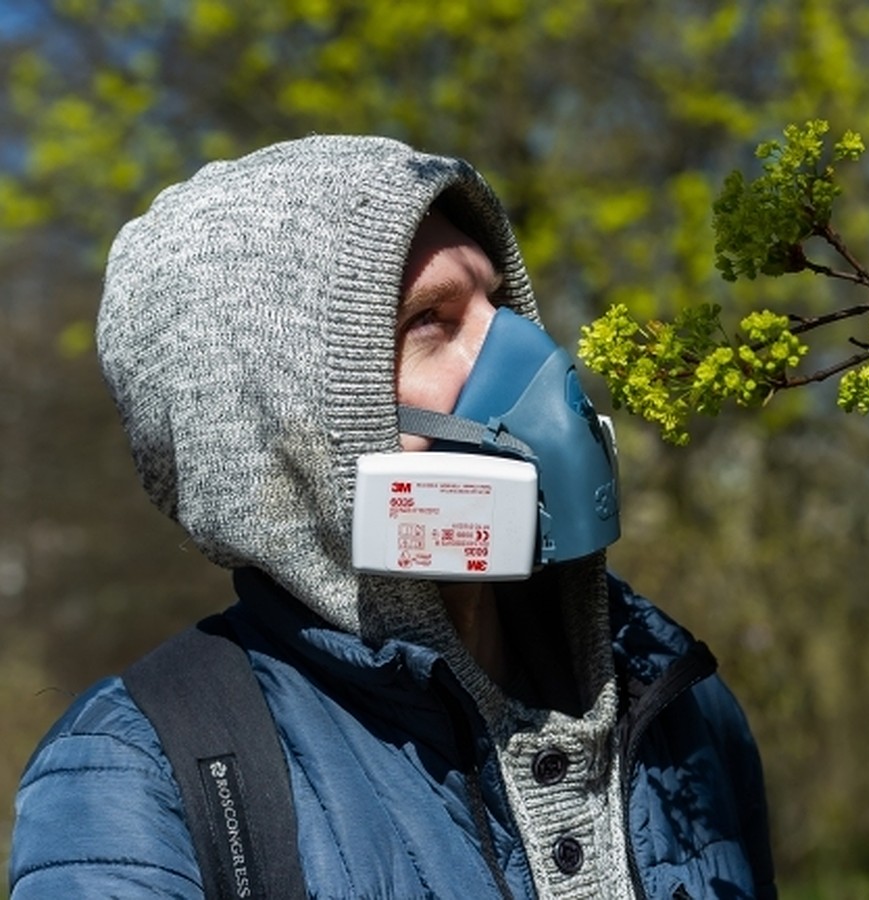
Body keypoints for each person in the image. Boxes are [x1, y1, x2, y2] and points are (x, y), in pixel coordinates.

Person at [8, 135, 776, 898]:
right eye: (432, 323)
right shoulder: (141, 777)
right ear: (288, 426)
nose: (531, 354)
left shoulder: (674, 697)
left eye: (501, 306)